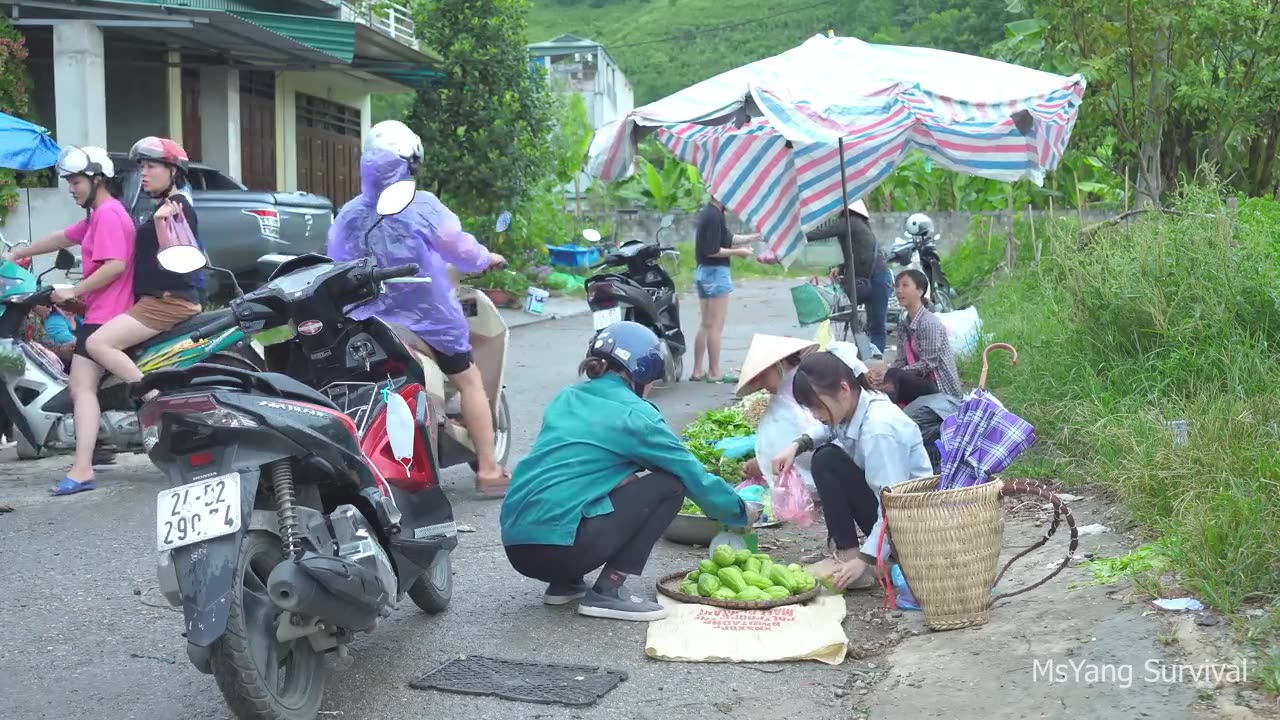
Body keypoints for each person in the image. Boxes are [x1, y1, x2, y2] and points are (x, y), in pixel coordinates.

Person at [502, 321, 759, 621]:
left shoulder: (566, 398)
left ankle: (565, 584)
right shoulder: (636, 414)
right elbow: (691, 474)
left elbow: (570, 467)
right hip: (561, 549)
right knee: (671, 484)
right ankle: (607, 592)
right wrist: (738, 510)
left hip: (517, 545)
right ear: (643, 372)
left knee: (604, 479)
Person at [327, 120, 510, 496]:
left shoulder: (349, 214)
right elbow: (460, 250)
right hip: (428, 323)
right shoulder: (422, 205)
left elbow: (336, 264)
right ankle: (489, 471)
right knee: (469, 380)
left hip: (368, 323)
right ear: (411, 163)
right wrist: (485, 257)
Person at [1, 146, 136, 495]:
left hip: (107, 315)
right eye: (69, 182)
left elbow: (115, 265)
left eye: (76, 181)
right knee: (81, 389)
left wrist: (74, 290)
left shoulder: (108, 214)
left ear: (97, 180)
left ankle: (83, 467)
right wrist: (20, 251)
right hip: (100, 313)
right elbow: (64, 236)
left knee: (81, 388)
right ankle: (85, 463)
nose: (71, 188)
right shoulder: (96, 216)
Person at [772, 343, 933, 590]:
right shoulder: (856, 403)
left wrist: (865, 559)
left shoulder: (879, 431)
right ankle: (848, 557)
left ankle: (871, 564)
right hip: (891, 512)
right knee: (826, 457)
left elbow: (894, 504)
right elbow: (827, 428)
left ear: (843, 389)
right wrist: (796, 446)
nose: (815, 414)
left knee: (828, 460)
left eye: (816, 406)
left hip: (911, 524)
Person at [83, 137, 203, 404]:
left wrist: (161, 226)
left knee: (97, 344)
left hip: (167, 302)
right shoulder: (164, 206)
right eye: (142, 167)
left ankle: (153, 399)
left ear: (173, 171)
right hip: (157, 300)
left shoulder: (176, 208)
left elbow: (178, 263)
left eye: (152, 167)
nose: (144, 173)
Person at [734, 334, 823, 491]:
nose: (759, 382)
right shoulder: (788, 393)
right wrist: (761, 462)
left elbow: (804, 451)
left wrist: (764, 465)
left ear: (778, 365)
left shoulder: (792, 403)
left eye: (762, 374)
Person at [805, 199, 893, 356]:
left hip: (877, 278)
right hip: (877, 278)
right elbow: (857, 256)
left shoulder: (850, 222)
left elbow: (819, 234)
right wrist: (841, 267)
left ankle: (874, 360)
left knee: (876, 324)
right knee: (874, 324)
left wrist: (794, 237)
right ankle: (870, 357)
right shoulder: (860, 225)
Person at [689, 197, 761, 383]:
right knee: (715, 326)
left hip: (703, 272)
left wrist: (754, 237)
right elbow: (712, 250)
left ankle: (697, 371)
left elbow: (727, 239)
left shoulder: (712, 213)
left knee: (705, 323)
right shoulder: (714, 216)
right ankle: (714, 372)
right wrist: (740, 252)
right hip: (715, 273)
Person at [869, 269, 963, 399]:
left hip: (939, 388)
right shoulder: (903, 325)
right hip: (919, 381)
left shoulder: (929, 322)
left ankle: (884, 397)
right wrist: (885, 373)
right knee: (883, 376)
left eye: (905, 285)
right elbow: (901, 360)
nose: (899, 291)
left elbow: (928, 364)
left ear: (920, 291)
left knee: (894, 376)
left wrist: (892, 373)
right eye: (897, 286)